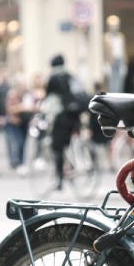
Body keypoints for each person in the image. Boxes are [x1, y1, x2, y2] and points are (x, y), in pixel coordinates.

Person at [43, 54, 86, 191]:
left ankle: (60, 179)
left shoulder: (53, 77)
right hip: (75, 116)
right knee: (71, 141)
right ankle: (74, 166)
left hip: (62, 117)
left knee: (57, 148)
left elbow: (48, 97)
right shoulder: (70, 76)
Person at [4, 75, 35, 174]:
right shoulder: (12, 95)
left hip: (24, 122)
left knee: (23, 143)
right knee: (18, 142)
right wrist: (21, 107)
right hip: (14, 122)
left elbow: (32, 106)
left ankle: (21, 162)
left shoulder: (27, 94)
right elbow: (9, 109)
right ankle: (15, 162)